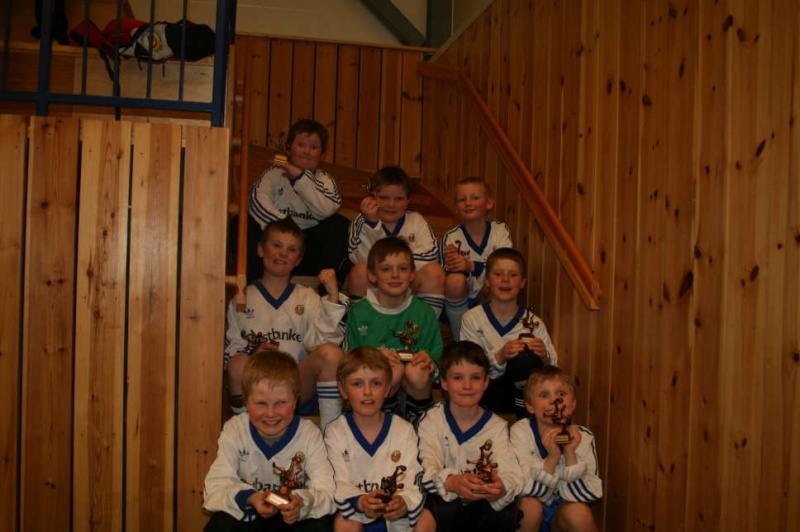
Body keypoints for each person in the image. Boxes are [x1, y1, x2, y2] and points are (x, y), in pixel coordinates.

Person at [225, 217, 346, 427]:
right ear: (260, 249)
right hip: (256, 385)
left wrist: (333, 298)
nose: (283, 253)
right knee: (237, 364)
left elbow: (320, 343)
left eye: (291, 249)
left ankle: (331, 431)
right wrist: (253, 355)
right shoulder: (241, 299)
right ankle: (243, 431)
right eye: (276, 245)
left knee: (332, 353)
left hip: (296, 385)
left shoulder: (307, 297)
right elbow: (232, 354)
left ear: (298, 259)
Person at [203, 351, 336, 531]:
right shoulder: (235, 429)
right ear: (246, 401)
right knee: (221, 523)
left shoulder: (309, 434)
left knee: (320, 526)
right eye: (261, 403)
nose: (271, 413)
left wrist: (301, 503)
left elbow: (326, 491)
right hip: (250, 517)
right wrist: (250, 498)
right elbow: (214, 488)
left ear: (295, 401)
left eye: (281, 403)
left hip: (292, 519)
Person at [323, 347, 435, 532]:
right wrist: (361, 501)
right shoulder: (335, 432)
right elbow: (338, 481)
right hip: (358, 512)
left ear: (387, 388)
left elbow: (414, 478)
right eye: (357, 384)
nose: (367, 391)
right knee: (344, 523)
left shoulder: (404, 429)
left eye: (376, 383)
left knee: (426, 519)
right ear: (342, 389)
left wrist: (403, 502)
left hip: (396, 516)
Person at [417, 341, 522, 530]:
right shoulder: (432, 420)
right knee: (424, 519)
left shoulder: (497, 426)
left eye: (475, 377)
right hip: (445, 500)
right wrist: (452, 482)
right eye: (458, 378)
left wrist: (500, 488)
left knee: (510, 513)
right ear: (444, 382)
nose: (467, 385)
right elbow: (425, 470)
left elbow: (510, 472)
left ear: (486, 382)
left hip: (484, 504)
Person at [345, 237, 442, 426]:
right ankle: (385, 415)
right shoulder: (359, 313)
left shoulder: (424, 312)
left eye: (403, 269)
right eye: (386, 269)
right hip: (374, 386)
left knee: (417, 370)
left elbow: (437, 355)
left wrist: (429, 361)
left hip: (415, 385)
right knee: (391, 368)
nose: (395, 275)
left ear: (412, 274)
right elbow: (349, 360)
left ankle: (419, 418)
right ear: (372, 276)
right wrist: (373, 357)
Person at [247, 118, 351, 286]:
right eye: (301, 145)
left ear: (321, 154)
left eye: (313, 147)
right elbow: (257, 203)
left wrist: (298, 176)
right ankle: (254, 288)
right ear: (289, 149)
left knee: (339, 224)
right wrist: (287, 228)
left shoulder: (325, 180)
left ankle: (329, 291)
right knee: (243, 222)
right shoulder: (273, 174)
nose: (306, 151)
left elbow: (326, 210)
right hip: (277, 244)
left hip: (309, 249)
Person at [459, 247, 557, 419]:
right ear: (487, 281)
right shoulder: (472, 318)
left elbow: (553, 366)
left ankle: (525, 421)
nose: (505, 280)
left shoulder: (533, 322)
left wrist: (544, 357)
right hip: (485, 393)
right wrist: (500, 357)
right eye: (498, 274)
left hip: (523, 395)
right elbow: (468, 365)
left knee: (526, 357)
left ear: (522, 282)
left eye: (513, 275)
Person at [510, 366, 602, 532]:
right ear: (530, 406)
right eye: (544, 395)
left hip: (562, 516)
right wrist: (552, 459)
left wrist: (570, 454)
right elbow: (523, 488)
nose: (554, 401)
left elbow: (589, 493)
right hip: (529, 512)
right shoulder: (521, 432)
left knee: (579, 513)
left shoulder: (583, 437)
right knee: (530, 507)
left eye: (561, 394)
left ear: (573, 404)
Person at [346, 166, 445, 318]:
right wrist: (372, 225)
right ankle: (363, 326)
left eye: (399, 199)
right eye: (384, 198)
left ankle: (425, 327)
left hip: (409, 284)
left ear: (408, 201)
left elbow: (430, 257)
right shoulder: (361, 221)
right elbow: (358, 257)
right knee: (360, 271)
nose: (391, 204)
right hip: (376, 284)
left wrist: (395, 268)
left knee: (434, 272)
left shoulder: (416, 220)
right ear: (372, 197)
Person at [441, 177, 513, 340]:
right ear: (456, 207)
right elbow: (448, 276)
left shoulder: (500, 231)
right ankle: (461, 339)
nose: (468, 203)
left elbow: (505, 265)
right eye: (462, 199)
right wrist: (457, 265)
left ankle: (491, 339)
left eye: (475, 198)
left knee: (497, 280)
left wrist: (471, 265)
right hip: (464, 297)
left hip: (488, 292)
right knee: (454, 281)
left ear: (489, 203)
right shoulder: (452, 237)